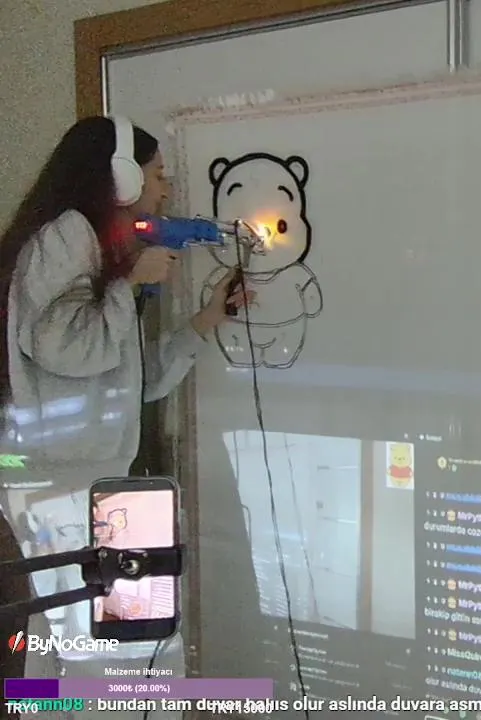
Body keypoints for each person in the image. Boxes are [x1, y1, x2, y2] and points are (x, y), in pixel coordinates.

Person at [0, 116, 252, 717]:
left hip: (76, 482)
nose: (166, 190)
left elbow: (131, 382)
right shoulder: (68, 234)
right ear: (120, 175)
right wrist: (130, 282)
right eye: (158, 175)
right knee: (116, 660)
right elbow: (65, 346)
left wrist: (204, 322)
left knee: (65, 652)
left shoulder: (88, 243)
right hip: (66, 486)